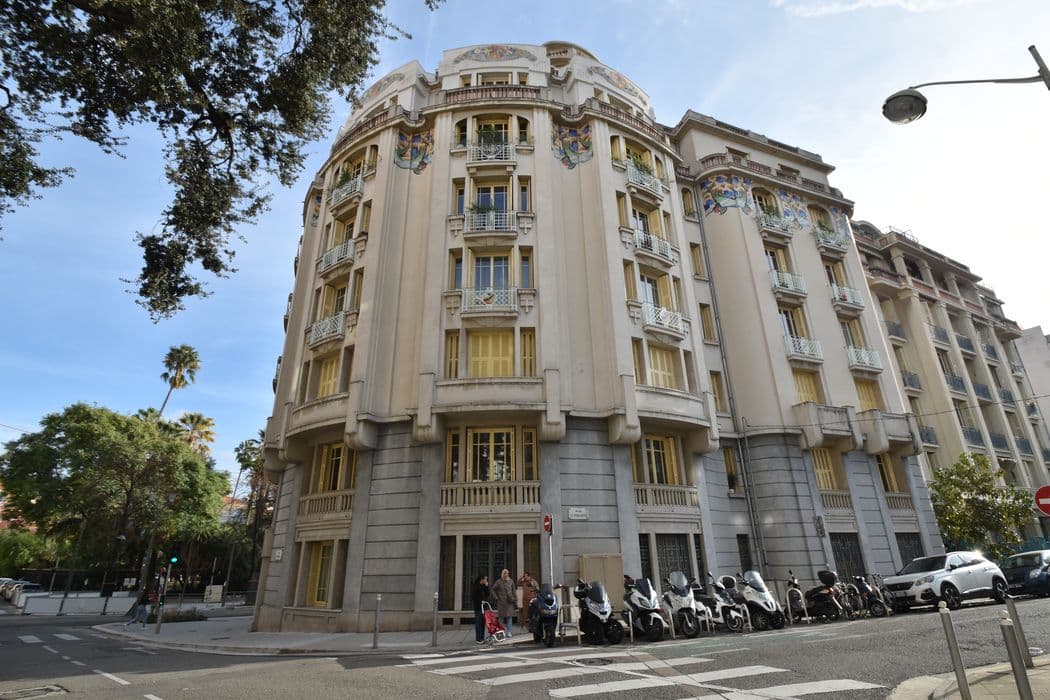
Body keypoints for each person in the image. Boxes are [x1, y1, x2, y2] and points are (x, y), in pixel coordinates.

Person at [491, 568, 516, 638]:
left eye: (507, 573)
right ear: (502, 574)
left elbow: (513, 590)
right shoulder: (499, 581)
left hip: (509, 602)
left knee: (509, 617)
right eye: (504, 573)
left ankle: (509, 632)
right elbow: (493, 589)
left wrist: (515, 599)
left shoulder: (511, 581)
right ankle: (500, 632)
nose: (505, 574)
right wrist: (496, 597)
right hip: (501, 602)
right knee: (501, 618)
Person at [470, 574, 490, 644]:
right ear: (482, 579)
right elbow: (473, 597)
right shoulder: (476, 586)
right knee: (478, 623)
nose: (486, 580)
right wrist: (480, 601)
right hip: (478, 607)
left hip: (484, 607)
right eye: (485, 579)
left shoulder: (483, 586)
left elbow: (487, 594)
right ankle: (478, 639)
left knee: (483, 623)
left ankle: (482, 638)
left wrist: (487, 586)